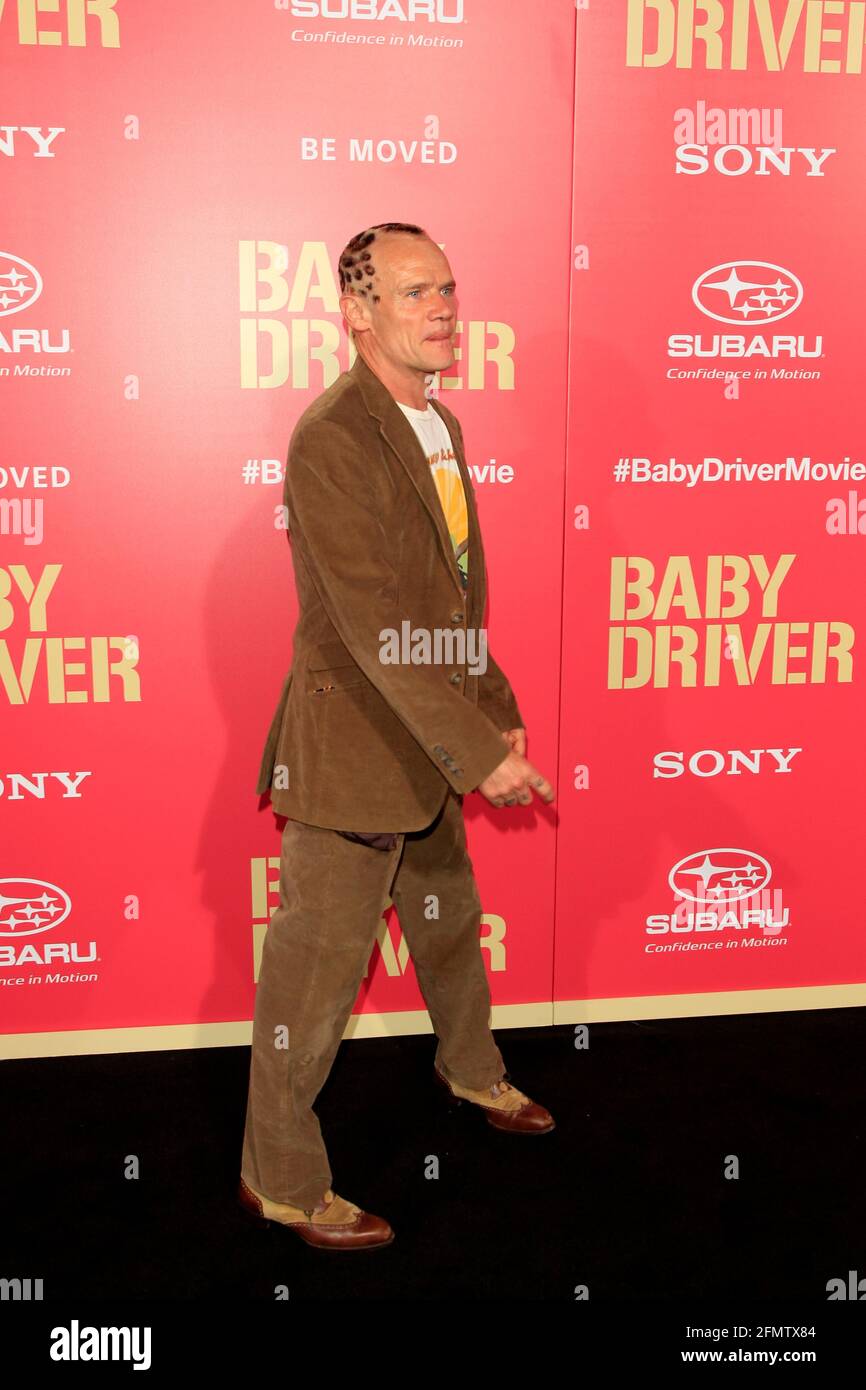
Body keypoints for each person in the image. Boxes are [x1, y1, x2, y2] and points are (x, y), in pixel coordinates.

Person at [238, 221, 556, 1251]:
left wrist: (490, 697)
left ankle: (469, 1070)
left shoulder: (438, 422)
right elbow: (374, 627)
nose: (442, 308)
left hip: (426, 733)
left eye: (448, 289)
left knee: (450, 925)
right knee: (314, 980)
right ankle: (278, 1179)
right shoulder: (331, 435)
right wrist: (480, 749)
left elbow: (448, 601)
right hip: (351, 753)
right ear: (356, 310)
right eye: (416, 292)